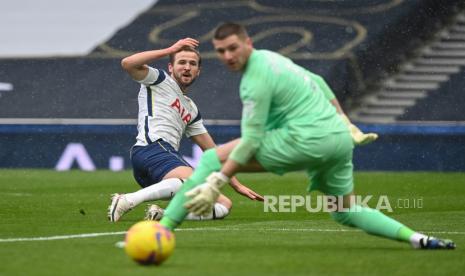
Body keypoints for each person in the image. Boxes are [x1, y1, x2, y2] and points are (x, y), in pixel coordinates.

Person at [159, 22, 455, 250]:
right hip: (338, 140)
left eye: (233, 48)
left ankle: (163, 230)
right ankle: (419, 239)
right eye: (221, 51)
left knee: (212, 158)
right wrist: (345, 121)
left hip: (306, 141)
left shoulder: (254, 81)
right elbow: (319, 80)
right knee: (345, 211)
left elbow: (251, 141)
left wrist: (216, 182)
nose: (227, 56)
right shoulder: (274, 58)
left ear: (247, 43)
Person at [108, 38, 263, 222]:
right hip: (152, 149)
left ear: (198, 71)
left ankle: (162, 215)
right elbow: (128, 63)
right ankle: (127, 200)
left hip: (162, 169)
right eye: (181, 62)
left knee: (223, 205)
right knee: (193, 181)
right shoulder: (160, 80)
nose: (187, 67)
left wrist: (237, 185)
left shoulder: (191, 109)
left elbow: (213, 152)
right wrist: (170, 49)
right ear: (171, 67)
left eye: (192, 63)